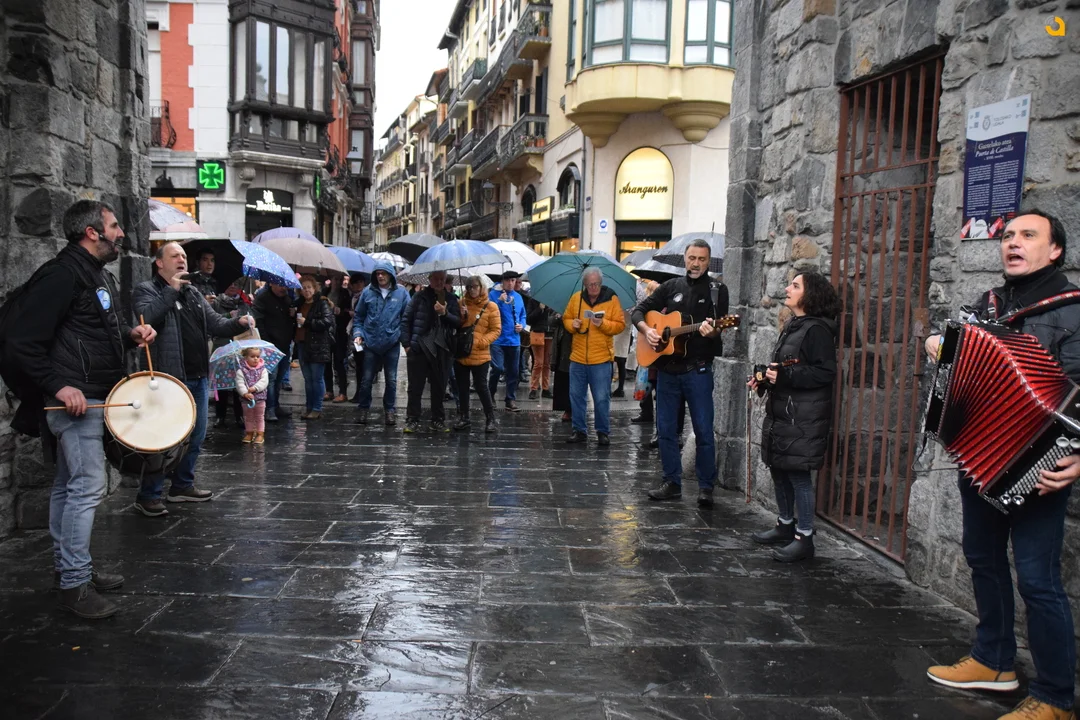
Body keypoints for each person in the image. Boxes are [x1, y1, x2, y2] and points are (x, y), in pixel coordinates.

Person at [924, 210, 1079, 720]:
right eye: (1008, 235)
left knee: (1037, 580)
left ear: (1055, 250)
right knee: (982, 559)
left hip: (1042, 465)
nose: (1013, 243)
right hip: (981, 454)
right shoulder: (988, 304)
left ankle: (1055, 697)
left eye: (1028, 235)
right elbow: (956, 360)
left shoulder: (1073, 309)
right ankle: (993, 662)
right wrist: (937, 345)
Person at [5, 200, 156, 619]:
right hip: (76, 401)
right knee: (86, 487)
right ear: (92, 232)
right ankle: (74, 584)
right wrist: (58, 386)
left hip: (93, 395)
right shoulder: (61, 275)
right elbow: (22, 341)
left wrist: (130, 335)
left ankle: (72, 569)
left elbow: (91, 330)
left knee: (68, 485)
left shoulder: (96, 273)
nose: (121, 233)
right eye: (114, 226)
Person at [132, 242, 253, 517]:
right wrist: (171, 290)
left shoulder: (193, 292)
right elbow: (145, 317)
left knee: (196, 436)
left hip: (198, 375)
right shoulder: (147, 289)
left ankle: (181, 486)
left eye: (184, 256)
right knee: (164, 438)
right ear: (159, 263)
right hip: (170, 376)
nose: (182, 260)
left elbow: (215, 323)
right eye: (175, 255)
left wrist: (237, 323)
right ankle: (148, 495)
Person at [749, 272, 839, 562]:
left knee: (799, 476)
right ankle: (785, 525)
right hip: (785, 414)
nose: (788, 288)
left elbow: (825, 372)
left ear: (809, 295)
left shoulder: (817, 330)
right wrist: (764, 378)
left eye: (795, 286)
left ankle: (805, 537)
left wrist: (785, 376)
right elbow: (785, 367)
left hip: (804, 417)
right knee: (779, 469)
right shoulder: (794, 325)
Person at [634, 239, 729, 506]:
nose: (696, 263)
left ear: (708, 262)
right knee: (665, 430)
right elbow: (639, 311)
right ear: (685, 259)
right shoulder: (670, 286)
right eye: (692, 258)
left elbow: (719, 328)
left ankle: (706, 487)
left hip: (698, 370)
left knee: (703, 430)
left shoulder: (717, 290)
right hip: (668, 371)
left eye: (701, 259)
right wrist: (648, 331)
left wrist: (713, 330)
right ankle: (671, 482)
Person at [562, 267, 626, 446]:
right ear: (584, 284)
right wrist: (572, 324)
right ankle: (579, 430)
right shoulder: (576, 298)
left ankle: (603, 432)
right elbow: (566, 318)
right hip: (578, 357)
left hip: (601, 359)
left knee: (601, 398)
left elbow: (620, 325)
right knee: (576, 396)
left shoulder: (611, 299)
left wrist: (603, 324)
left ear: (601, 283)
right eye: (590, 284)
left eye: (596, 284)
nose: (593, 287)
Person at [401, 270, 461, 433]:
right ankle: (412, 419)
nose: (439, 282)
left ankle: (438, 419)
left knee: (439, 387)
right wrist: (407, 345)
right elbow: (406, 320)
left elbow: (457, 322)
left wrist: (445, 313)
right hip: (419, 348)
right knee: (415, 387)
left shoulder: (451, 299)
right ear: (429, 280)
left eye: (442, 279)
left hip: (442, 349)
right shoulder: (419, 297)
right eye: (436, 279)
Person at [354, 262, 409, 426]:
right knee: (366, 380)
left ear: (390, 275)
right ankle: (363, 409)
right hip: (370, 343)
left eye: (383, 273)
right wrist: (358, 334)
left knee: (391, 380)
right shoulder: (367, 292)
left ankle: (390, 410)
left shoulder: (401, 293)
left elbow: (407, 317)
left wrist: (401, 336)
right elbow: (358, 317)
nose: (380, 276)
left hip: (392, 343)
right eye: (377, 273)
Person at [454, 275, 502, 433]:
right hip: (462, 352)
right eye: (469, 287)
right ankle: (464, 417)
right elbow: (456, 326)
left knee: (481, 386)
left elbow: (496, 330)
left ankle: (490, 418)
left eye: (475, 286)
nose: (472, 290)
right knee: (462, 387)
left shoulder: (491, 306)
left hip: (481, 354)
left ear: (481, 287)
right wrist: (462, 316)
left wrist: (482, 342)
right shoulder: (461, 303)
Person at [252, 282, 295, 422]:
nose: (283, 288)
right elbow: (259, 321)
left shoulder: (287, 299)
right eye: (280, 285)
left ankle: (275, 405)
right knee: (271, 378)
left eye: (285, 285)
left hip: (284, 344)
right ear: (271, 284)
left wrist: (293, 315)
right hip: (269, 345)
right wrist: (266, 341)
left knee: (279, 378)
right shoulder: (263, 298)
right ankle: (269, 408)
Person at [293, 275, 334, 420]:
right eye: (303, 288)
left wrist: (307, 322)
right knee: (308, 379)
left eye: (309, 287)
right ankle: (309, 407)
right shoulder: (299, 304)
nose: (306, 290)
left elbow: (327, 322)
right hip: (302, 344)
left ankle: (317, 408)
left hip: (317, 345)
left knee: (316, 378)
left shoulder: (321, 303)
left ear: (314, 288)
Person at [488, 271, 527, 412]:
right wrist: (499, 301)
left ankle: (510, 399)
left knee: (513, 371)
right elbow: (488, 313)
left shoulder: (518, 297)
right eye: (508, 280)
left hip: (514, 339)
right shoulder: (493, 295)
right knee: (497, 368)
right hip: (498, 339)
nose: (510, 283)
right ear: (502, 281)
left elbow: (523, 315)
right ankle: (490, 395)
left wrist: (521, 325)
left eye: (513, 280)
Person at [327, 276, 355, 403]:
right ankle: (329, 390)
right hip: (326, 332)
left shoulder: (345, 294)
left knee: (339, 362)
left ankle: (342, 392)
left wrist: (341, 312)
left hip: (340, 332)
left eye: (339, 279)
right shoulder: (325, 292)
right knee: (327, 362)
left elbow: (349, 312)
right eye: (335, 279)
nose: (337, 282)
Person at [236, 346, 270, 445]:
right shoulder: (241, 371)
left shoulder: (263, 370)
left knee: (259, 417)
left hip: (260, 398)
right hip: (246, 399)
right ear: (246, 358)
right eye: (252, 356)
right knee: (248, 417)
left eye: (257, 356)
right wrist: (245, 393)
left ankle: (260, 434)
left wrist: (255, 388)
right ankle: (249, 433)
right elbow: (239, 383)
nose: (255, 358)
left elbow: (264, 381)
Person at [526, 295, 557, 400]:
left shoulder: (554, 302)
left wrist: (556, 317)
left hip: (550, 334)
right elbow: (529, 319)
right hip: (538, 333)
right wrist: (539, 309)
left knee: (547, 363)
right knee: (538, 362)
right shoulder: (533, 301)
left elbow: (555, 319)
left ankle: (545, 388)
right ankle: (534, 388)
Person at [346, 274, 369, 402]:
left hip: (362, 334)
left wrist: (354, 314)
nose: (358, 285)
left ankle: (362, 393)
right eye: (356, 283)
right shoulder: (353, 296)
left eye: (361, 282)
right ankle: (360, 393)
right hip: (356, 334)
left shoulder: (366, 296)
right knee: (358, 362)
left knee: (362, 363)